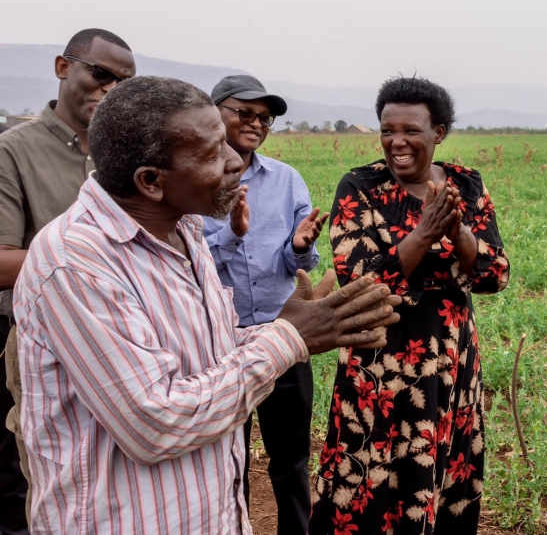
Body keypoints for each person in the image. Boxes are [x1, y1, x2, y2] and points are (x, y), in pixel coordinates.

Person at [12, 76, 401, 534]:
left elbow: (202, 351)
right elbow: (155, 422)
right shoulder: (77, 264)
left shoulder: (185, 230)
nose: (236, 161)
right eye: (214, 151)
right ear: (152, 182)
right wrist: (287, 337)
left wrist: (300, 329)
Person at [310, 76, 510, 535]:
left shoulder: (466, 184)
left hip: (450, 354)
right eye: (387, 130)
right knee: (370, 466)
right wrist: (422, 236)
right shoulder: (360, 186)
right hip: (382, 353)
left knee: (443, 459)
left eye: (411, 131)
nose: (396, 142)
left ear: (438, 132)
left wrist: (458, 232)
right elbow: (357, 279)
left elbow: (495, 274)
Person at [0, 28, 137, 534]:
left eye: (123, 84)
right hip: (30, 341)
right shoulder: (12, 151)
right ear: (63, 68)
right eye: (99, 74)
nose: (109, 90)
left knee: (105, 471)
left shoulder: (122, 157)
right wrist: (94, 257)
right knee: (27, 474)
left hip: (118, 333)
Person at [201, 74, 327, 535]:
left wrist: (298, 246)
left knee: (291, 460)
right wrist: (233, 233)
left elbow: (299, 259)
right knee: (225, 462)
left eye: (265, 117)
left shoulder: (286, 180)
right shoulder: (193, 180)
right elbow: (189, 266)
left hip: (281, 337)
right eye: (245, 112)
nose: (256, 123)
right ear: (214, 112)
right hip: (218, 344)